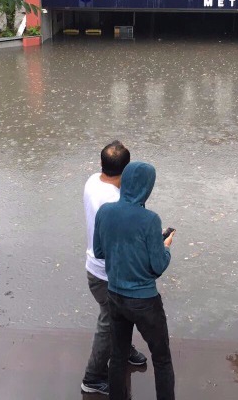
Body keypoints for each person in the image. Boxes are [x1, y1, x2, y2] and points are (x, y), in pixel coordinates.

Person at [94, 162, 176, 400]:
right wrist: (166, 247)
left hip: (115, 297)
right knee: (161, 359)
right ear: (147, 187)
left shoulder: (105, 212)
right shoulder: (150, 219)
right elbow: (158, 265)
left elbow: (100, 251)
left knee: (118, 356)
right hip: (145, 302)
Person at [81, 141, 147, 396]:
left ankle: (124, 349)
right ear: (127, 170)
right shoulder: (119, 202)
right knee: (108, 323)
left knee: (120, 316)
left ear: (101, 165)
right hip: (109, 274)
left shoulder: (91, 182)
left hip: (95, 268)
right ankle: (93, 377)